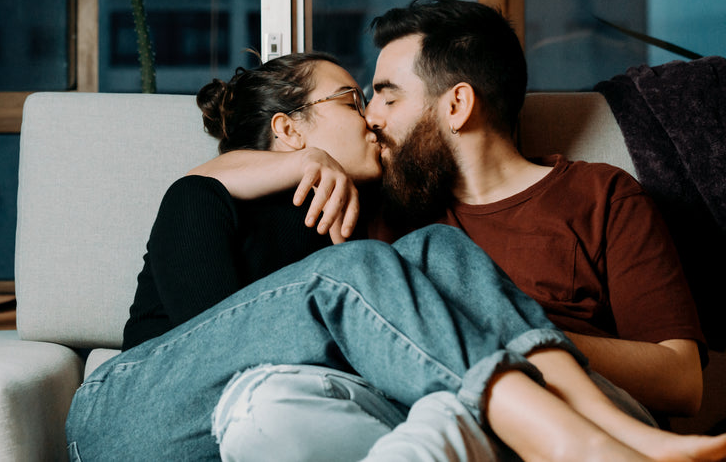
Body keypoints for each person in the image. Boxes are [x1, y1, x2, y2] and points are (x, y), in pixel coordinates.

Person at [63, 52, 726, 462]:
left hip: (268, 414)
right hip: (129, 416)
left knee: (434, 249)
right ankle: (561, 439)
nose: (372, 116)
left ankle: (608, 429)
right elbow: (206, 344)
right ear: (289, 128)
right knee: (364, 270)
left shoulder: (361, 218)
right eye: (352, 99)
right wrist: (298, 165)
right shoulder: (204, 198)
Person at [194, 0, 709, 459]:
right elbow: (199, 184)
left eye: (387, 98)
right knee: (267, 407)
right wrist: (304, 160)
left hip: (578, 405)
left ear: (457, 105)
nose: (369, 118)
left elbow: (684, 380)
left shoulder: (600, 195)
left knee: (451, 412)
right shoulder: (379, 202)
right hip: (407, 411)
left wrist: (497, 333)